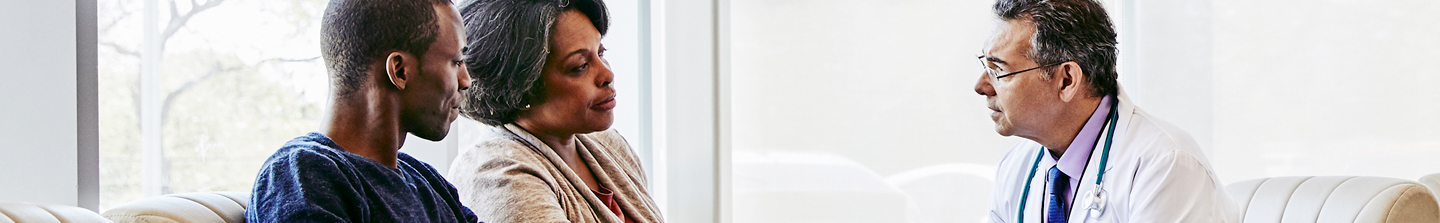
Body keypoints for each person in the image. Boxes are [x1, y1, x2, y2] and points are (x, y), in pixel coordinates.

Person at [973, 0, 1239, 222]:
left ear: (1066, 80)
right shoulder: (1016, 168)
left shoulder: (1166, 165)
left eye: (999, 70)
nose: (981, 86)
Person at [245, 0, 478, 221]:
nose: (466, 80)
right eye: (456, 61)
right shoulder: (301, 175)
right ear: (399, 71)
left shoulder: (427, 181)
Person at [445, 0, 663, 222]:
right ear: (520, 91)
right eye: (580, 66)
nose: (607, 74)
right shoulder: (497, 173)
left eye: (601, 52)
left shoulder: (607, 143)